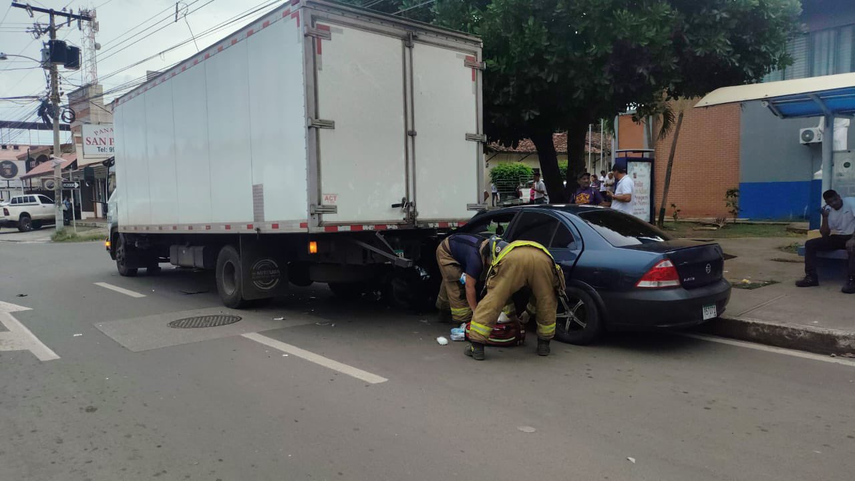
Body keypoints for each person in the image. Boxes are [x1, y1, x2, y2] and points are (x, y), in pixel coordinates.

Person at [465, 237, 566, 361]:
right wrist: (527, 313)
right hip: (543, 259)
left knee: (493, 298)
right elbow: (539, 297)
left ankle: (477, 347)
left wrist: (512, 317)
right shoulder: (529, 248)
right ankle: (544, 345)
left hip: (513, 259)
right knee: (546, 300)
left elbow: (502, 297)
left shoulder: (505, 254)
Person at [796, 190, 855, 293]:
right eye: (830, 202)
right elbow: (825, 234)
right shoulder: (828, 210)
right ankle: (811, 278)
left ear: (839, 196)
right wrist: (825, 217)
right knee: (810, 244)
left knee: (853, 248)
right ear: (827, 203)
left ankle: (852, 282)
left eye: (835, 200)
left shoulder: (851, 202)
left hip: (853, 235)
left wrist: (853, 239)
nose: (834, 204)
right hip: (840, 237)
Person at [436, 233, 489, 323]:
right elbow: (469, 286)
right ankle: (462, 320)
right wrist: (475, 313)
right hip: (446, 253)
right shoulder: (475, 260)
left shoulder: (488, 249)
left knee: (449, 283)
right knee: (456, 284)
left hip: (458, 249)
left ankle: (443, 309)